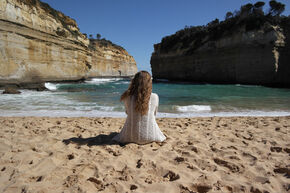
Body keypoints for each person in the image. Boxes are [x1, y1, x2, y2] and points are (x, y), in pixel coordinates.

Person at [113, 71, 166, 144]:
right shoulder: (155, 97)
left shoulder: (127, 97)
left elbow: (127, 112)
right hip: (151, 137)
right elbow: (154, 114)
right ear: (149, 82)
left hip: (129, 137)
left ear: (134, 82)